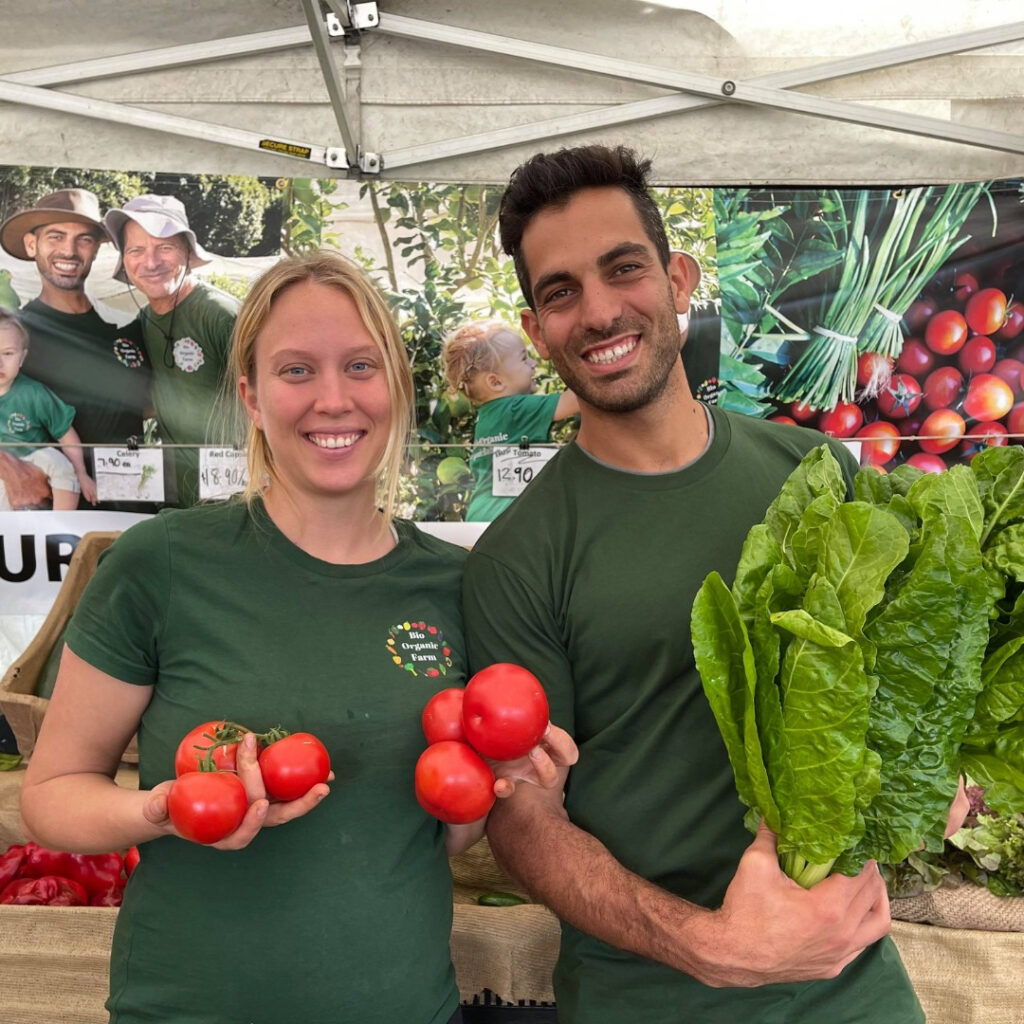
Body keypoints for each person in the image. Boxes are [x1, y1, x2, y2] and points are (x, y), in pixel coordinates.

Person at [19, 250, 576, 1024]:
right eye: (295, 371)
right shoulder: (163, 564)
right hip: (187, 1007)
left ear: (396, 386)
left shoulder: (458, 586)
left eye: (359, 366)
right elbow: (49, 799)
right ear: (249, 394)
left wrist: (511, 781)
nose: (333, 400)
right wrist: (165, 809)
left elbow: (435, 840)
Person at [461, 145, 931, 1023]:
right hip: (646, 999)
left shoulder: (818, 474)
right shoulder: (515, 559)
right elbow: (523, 819)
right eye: (560, 292)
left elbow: (907, 678)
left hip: (852, 985)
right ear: (535, 332)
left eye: (624, 269)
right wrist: (708, 947)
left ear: (678, 279)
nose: (599, 312)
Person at [0, 187, 150, 507]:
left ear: (96, 249)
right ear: (31, 245)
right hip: (53, 518)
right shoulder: (13, 337)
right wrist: (10, 469)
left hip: (135, 507)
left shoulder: (127, 329)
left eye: (84, 239)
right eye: (55, 236)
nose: (69, 251)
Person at [103, 194, 239, 507]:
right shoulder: (146, 319)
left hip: (232, 494)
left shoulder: (220, 315)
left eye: (164, 247)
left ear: (188, 254)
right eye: (136, 250)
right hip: (179, 492)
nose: (150, 262)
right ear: (125, 260)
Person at [441, 319, 578, 521]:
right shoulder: (516, 410)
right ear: (495, 382)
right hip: (511, 520)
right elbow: (576, 400)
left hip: (482, 517)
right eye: (524, 358)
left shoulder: (488, 416)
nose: (534, 363)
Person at [0, 308, 96, 509]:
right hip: (4, 469)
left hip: (35, 459)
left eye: (8, 353)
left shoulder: (33, 393)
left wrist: (81, 472)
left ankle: (60, 524)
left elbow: (66, 434)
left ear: (22, 358)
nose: (0, 363)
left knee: (57, 461)